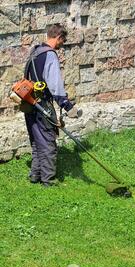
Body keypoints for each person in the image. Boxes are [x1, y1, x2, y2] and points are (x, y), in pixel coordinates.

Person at [23, 23, 81, 187]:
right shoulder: (49, 55)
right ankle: (48, 180)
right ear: (58, 37)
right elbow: (55, 84)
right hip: (43, 106)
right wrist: (67, 106)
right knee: (48, 141)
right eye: (63, 39)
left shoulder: (34, 53)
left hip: (29, 104)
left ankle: (35, 175)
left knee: (36, 141)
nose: (63, 43)